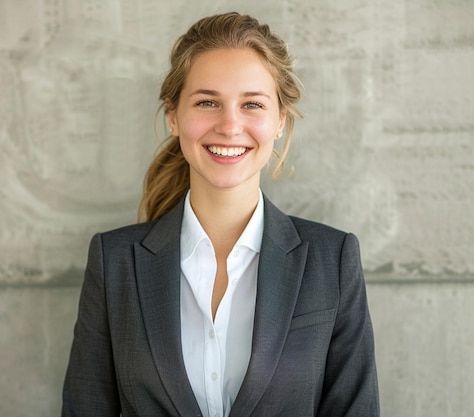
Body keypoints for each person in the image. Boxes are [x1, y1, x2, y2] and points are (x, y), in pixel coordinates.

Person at [62, 11, 379, 417]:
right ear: (174, 116)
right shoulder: (115, 262)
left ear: (279, 120)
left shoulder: (332, 260)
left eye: (252, 104)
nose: (230, 126)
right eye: (208, 102)